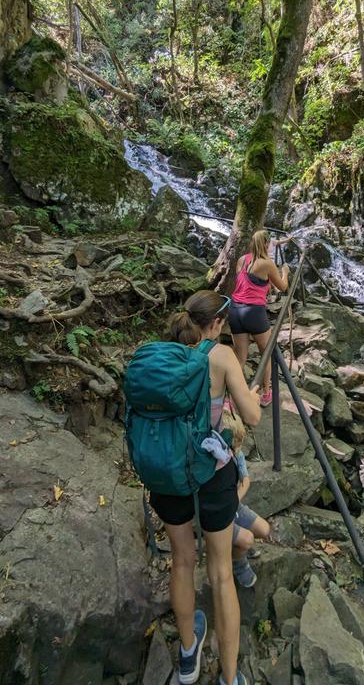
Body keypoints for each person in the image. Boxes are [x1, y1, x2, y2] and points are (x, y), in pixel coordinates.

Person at [149, 290, 261, 685]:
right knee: (220, 573)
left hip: (166, 473)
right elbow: (252, 416)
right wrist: (254, 397)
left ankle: (186, 654)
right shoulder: (221, 355)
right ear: (216, 323)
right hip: (211, 475)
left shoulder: (161, 353)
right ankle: (229, 679)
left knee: (181, 560)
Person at [228, 230, 290, 407]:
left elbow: (247, 282)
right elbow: (283, 287)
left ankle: (230, 399)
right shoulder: (267, 263)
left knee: (240, 359)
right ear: (266, 244)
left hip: (235, 310)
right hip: (253, 312)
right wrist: (284, 271)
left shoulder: (242, 260)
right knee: (266, 354)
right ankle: (266, 393)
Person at [222, 409, 271, 588]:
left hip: (234, 506)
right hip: (219, 514)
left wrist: (234, 501)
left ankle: (238, 547)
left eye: (240, 444)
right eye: (235, 445)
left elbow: (246, 481)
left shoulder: (238, 454)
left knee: (264, 530)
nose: (239, 449)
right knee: (247, 539)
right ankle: (238, 563)